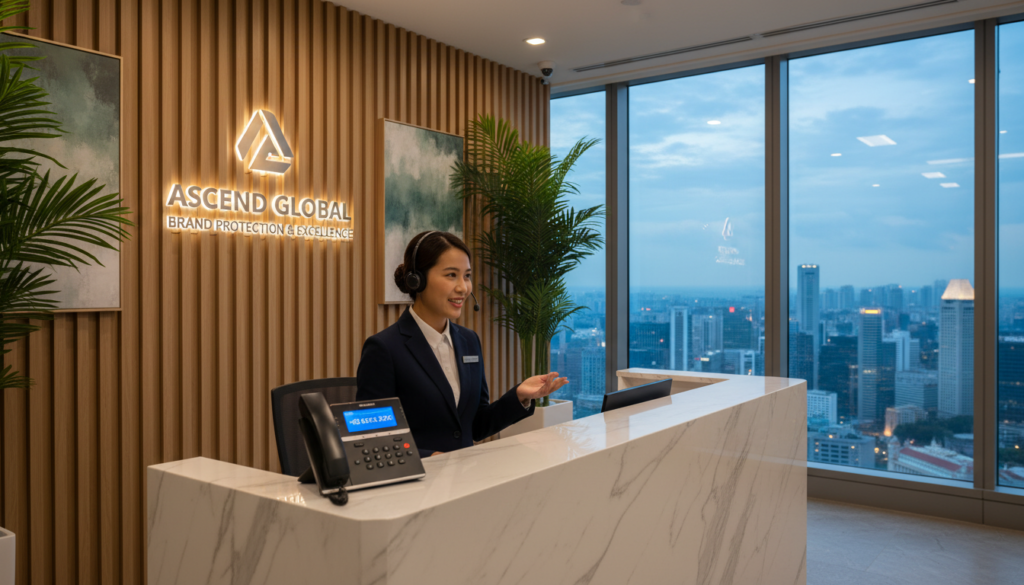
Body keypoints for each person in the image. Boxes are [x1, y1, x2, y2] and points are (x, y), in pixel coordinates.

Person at [356, 231, 568, 457]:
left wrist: (519, 396)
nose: (463, 288)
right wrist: (429, 457)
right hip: (417, 486)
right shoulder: (384, 348)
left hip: (465, 479)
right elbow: (372, 437)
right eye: (451, 275)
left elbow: (476, 426)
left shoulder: (469, 341)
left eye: (466, 276)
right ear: (417, 280)